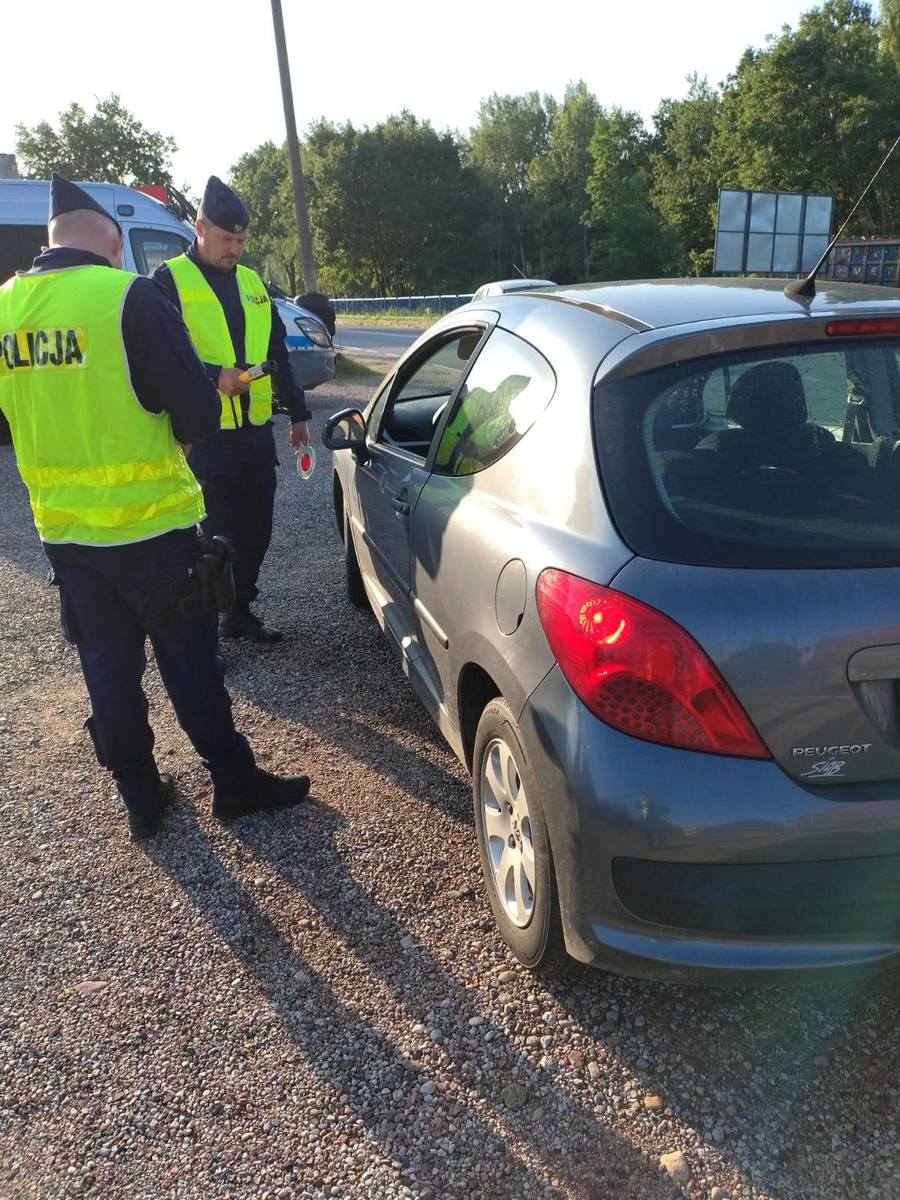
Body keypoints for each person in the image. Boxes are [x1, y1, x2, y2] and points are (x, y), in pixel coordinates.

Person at [0, 174, 310, 840]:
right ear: (113, 239)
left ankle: (140, 795)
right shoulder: (127, 295)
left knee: (108, 671)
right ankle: (234, 783)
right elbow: (198, 410)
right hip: (151, 527)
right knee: (190, 664)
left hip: (65, 533)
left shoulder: (6, 307)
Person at [151, 176, 311, 644]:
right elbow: (158, 356)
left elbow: (277, 354)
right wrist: (211, 374)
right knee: (214, 541)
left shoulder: (252, 282)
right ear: (200, 227)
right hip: (204, 438)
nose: (234, 249)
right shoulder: (168, 281)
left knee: (256, 532)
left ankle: (239, 613)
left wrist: (299, 413)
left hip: (255, 436)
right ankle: (207, 633)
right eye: (226, 239)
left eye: (241, 241)